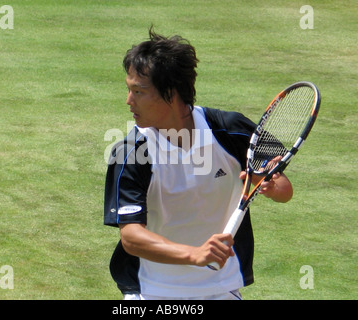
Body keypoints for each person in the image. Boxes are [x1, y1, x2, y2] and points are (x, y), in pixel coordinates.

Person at [104, 28, 293, 300]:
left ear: (171, 93)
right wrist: (194, 254)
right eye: (128, 89)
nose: (128, 100)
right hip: (153, 290)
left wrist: (274, 187)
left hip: (221, 287)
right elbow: (131, 237)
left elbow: (283, 189)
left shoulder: (231, 130)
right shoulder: (130, 153)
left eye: (139, 91)